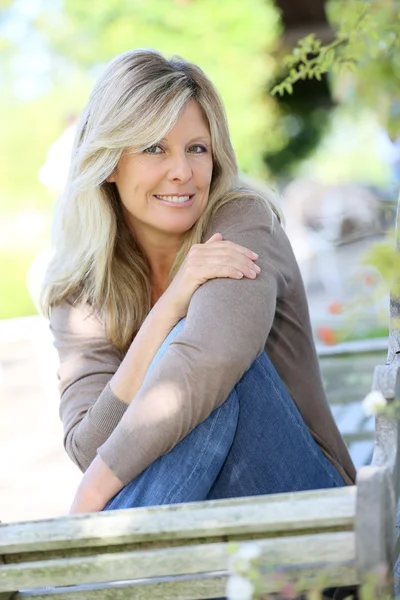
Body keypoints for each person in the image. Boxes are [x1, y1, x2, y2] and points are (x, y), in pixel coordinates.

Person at [40, 48, 356, 517]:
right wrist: (168, 307)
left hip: (314, 508)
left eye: (197, 148)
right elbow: (88, 447)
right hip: (206, 528)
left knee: (215, 379)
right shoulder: (81, 290)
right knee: (178, 368)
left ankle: (99, 570)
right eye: (153, 148)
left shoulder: (243, 221)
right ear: (109, 163)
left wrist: (88, 501)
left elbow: (213, 360)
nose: (182, 172)